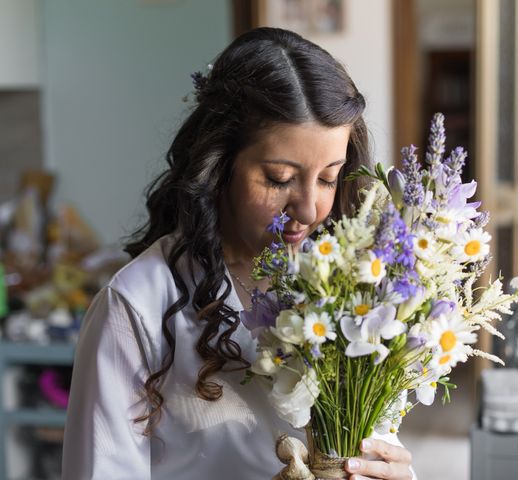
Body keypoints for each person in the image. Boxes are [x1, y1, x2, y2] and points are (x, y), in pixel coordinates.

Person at [62, 27, 415, 480]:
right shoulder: (135, 306)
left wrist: (392, 470)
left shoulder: (353, 287)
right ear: (218, 165)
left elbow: (374, 438)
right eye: (279, 177)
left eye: (328, 178)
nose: (308, 208)